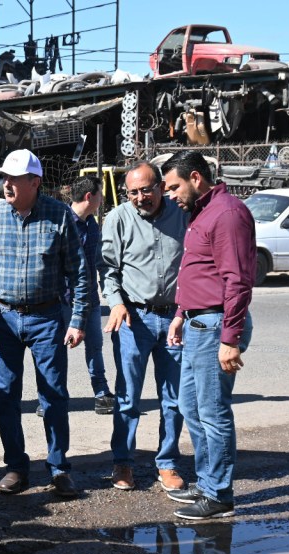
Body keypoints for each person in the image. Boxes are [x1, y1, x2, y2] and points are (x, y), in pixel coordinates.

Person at [0, 149, 88, 499]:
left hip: (47, 318)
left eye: (14, 179)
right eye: (4, 178)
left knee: (53, 395)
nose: (6, 185)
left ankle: (58, 468)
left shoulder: (59, 217)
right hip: (5, 317)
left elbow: (81, 274)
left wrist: (77, 320)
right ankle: (16, 466)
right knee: (6, 394)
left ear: (35, 182)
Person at [164, 150, 255, 520]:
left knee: (213, 412)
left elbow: (237, 280)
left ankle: (219, 495)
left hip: (216, 326)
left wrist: (229, 339)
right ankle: (207, 481)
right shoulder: (203, 212)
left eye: (174, 186)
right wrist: (180, 314)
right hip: (196, 323)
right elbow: (200, 272)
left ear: (196, 178)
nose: (170, 194)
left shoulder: (228, 214)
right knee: (190, 406)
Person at [100, 161, 188, 493]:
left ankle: (167, 463)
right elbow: (107, 269)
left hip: (176, 319)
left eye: (146, 190)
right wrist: (116, 302)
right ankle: (123, 463)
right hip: (133, 319)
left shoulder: (182, 215)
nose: (140, 197)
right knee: (127, 398)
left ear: (162, 187)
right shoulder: (118, 218)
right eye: (133, 192)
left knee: (174, 398)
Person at [38, 174, 114, 418]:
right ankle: (50, 398)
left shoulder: (92, 225)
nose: (103, 199)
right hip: (60, 301)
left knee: (95, 347)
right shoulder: (60, 222)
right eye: (101, 194)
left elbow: (98, 261)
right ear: (90, 197)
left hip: (89, 300)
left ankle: (101, 393)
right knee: (54, 351)